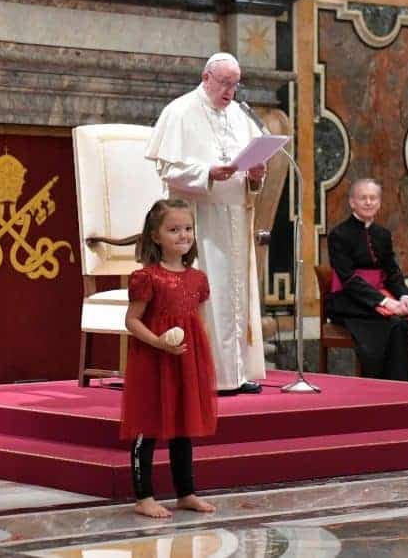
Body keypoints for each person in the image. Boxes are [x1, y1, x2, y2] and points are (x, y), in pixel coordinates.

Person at [145, 52, 267, 396]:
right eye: (225, 83)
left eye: (235, 84)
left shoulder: (241, 116)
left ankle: (236, 373)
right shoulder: (180, 111)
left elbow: (251, 172)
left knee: (236, 295)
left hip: (236, 217)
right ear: (206, 77)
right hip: (198, 220)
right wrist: (207, 173)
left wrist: (256, 175)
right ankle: (208, 376)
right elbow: (167, 170)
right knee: (211, 294)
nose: (230, 91)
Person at [120, 199, 218, 518]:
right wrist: (158, 342)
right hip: (153, 358)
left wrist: (201, 358)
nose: (183, 235)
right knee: (147, 424)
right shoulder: (146, 277)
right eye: (174, 229)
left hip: (185, 359)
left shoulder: (198, 278)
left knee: (182, 425)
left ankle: (185, 492)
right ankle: (143, 496)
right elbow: (132, 320)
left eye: (187, 229)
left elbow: (198, 321)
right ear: (155, 236)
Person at [325, 178, 408, 382]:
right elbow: (348, 279)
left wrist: (404, 296)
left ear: (379, 202)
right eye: (363, 198)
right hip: (347, 299)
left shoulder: (382, 234)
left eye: (373, 198)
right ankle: (386, 385)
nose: (368, 202)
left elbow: (392, 272)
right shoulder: (339, 235)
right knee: (394, 324)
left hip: (378, 295)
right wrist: (385, 302)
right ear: (352, 202)